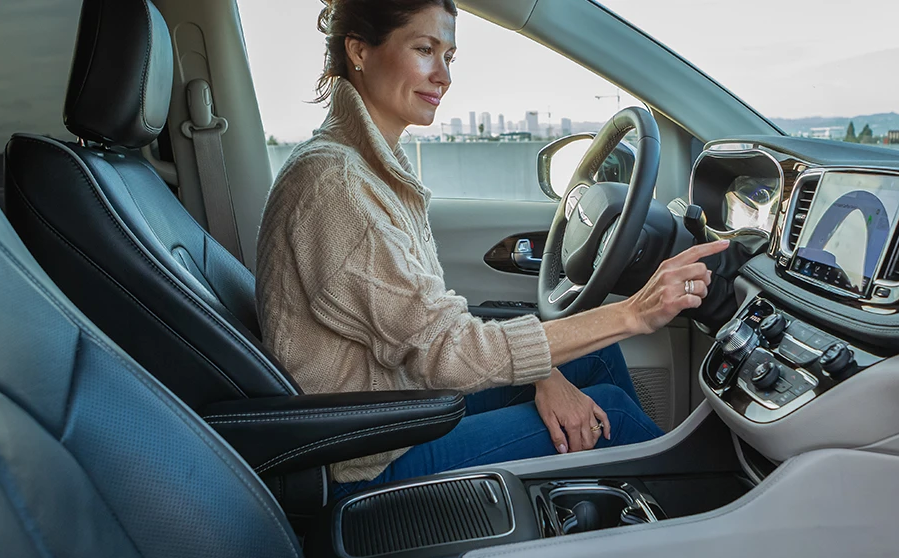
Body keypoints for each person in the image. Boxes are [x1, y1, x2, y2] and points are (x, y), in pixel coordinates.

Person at [256, 0, 729, 499]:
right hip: (363, 459)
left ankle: (633, 502)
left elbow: (425, 328)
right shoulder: (335, 185)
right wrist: (633, 313)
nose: (443, 76)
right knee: (609, 412)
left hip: (400, 406)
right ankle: (703, 515)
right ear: (359, 51)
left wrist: (542, 371)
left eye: (449, 56)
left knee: (596, 358)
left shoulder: (368, 169)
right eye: (424, 49)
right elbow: (444, 352)